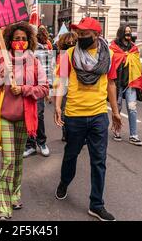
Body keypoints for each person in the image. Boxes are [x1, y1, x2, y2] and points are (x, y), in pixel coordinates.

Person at [54, 17, 122, 222]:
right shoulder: (68, 55)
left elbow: (111, 84)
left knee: (99, 161)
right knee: (70, 155)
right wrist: (58, 106)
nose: (80, 37)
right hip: (74, 115)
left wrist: (116, 111)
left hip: (98, 115)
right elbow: (62, 82)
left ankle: (96, 204)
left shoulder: (108, 55)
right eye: (79, 34)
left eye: (84, 34)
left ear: (96, 35)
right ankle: (64, 182)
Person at [0, 22, 49, 221]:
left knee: (18, 160)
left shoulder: (35, 63)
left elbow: (44, 89)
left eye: (23, 39)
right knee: (8, 160)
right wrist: (3, 74)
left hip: (25, 118)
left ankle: (15, 194)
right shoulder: (0, 62)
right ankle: (2, 206)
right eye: (16, 39)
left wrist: (23, 90)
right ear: (10, 41)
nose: (20, 42)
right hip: (4, 117)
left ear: (28, 41)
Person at [109, 26, 142, 146]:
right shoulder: (113, 48)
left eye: (130, 32)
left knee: (132, 109)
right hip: (117, 83)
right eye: (126, 32)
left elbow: (137, 65)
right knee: (117, 109)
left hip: (131, 83)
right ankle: (117, 131)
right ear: (121, 33)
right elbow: (111, 63)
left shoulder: (134, 48)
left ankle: (134, 135)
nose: (128, 34)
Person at [24, 25, 53, 158]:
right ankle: (30, 145)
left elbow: (49, 70)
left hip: (38, 88)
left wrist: (49, 91)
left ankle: (41, 142)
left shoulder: (44, 51)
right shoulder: (21, 52)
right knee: (27, 116)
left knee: (39, 115)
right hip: (23, 89)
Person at [55, 32, 78, 142]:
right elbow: (60, 75)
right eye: (69, 43)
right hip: (64, 86)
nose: (71, 44)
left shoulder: (79, 54)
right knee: (64, 110)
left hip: (76, 87)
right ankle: (66, 132)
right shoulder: (63, 55)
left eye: (74, 42)